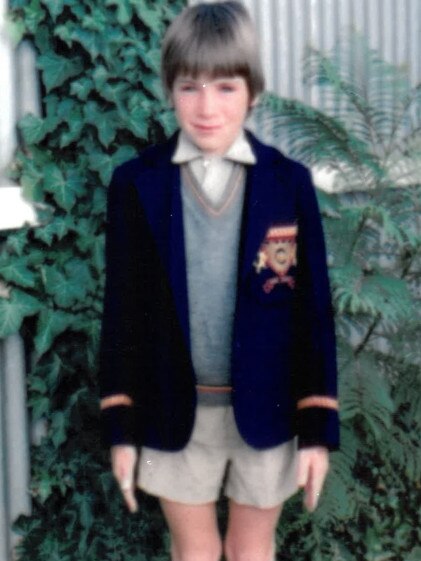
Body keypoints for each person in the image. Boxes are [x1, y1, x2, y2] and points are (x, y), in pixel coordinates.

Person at [99, 2, 339, 560]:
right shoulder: (137, 185)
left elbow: (314, 314)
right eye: (190, 87)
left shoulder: (289, 184)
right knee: (195, 551)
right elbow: (122, 317)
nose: (207, 108)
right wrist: (121, 427)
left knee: (252, 548)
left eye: (226, 87)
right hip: (172, 410)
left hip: (269, 409)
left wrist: (316, 430)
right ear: (170, 90)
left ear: (253, 90)